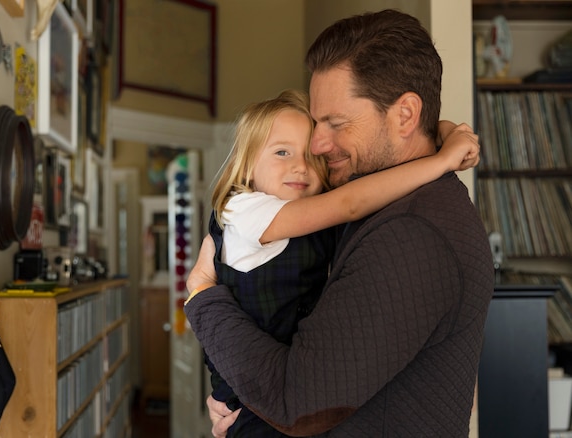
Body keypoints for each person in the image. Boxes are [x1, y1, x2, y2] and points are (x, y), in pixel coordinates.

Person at [186, 9, 494, 437]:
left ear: (405, 114)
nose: (316, 144)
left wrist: (203, 298)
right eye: (317, 123)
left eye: (335, 123)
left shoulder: (411, 234)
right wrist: (241, 391)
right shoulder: (392, 201)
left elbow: (296, 404)